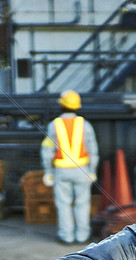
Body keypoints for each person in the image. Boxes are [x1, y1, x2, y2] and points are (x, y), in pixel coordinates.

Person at [40, 89, 99, 244]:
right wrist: (92, 171)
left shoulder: (54, 125)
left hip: (61, 171)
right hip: (82, 170)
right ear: (77, 106)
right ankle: (82, 236)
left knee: (63, 204)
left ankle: (67, 236)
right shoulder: (85, 125)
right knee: (83, 203)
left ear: (61, 105)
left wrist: (48, 172)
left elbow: (47, 150)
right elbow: (93, 150)